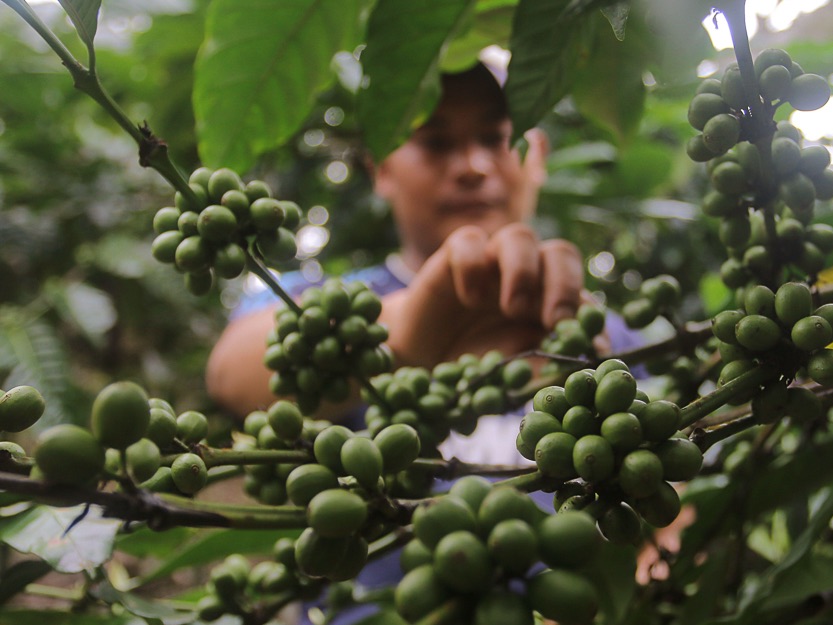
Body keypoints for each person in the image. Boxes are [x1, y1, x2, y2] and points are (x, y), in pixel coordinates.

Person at [205, 56, 651, 624]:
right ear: (381, 168)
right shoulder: (316, 303)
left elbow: (664, 506)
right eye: (435, 142)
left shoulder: (609, 339)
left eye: (495, 137)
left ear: (536, 158)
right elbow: (233, 373)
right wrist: (407, 334)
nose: (471, 166)